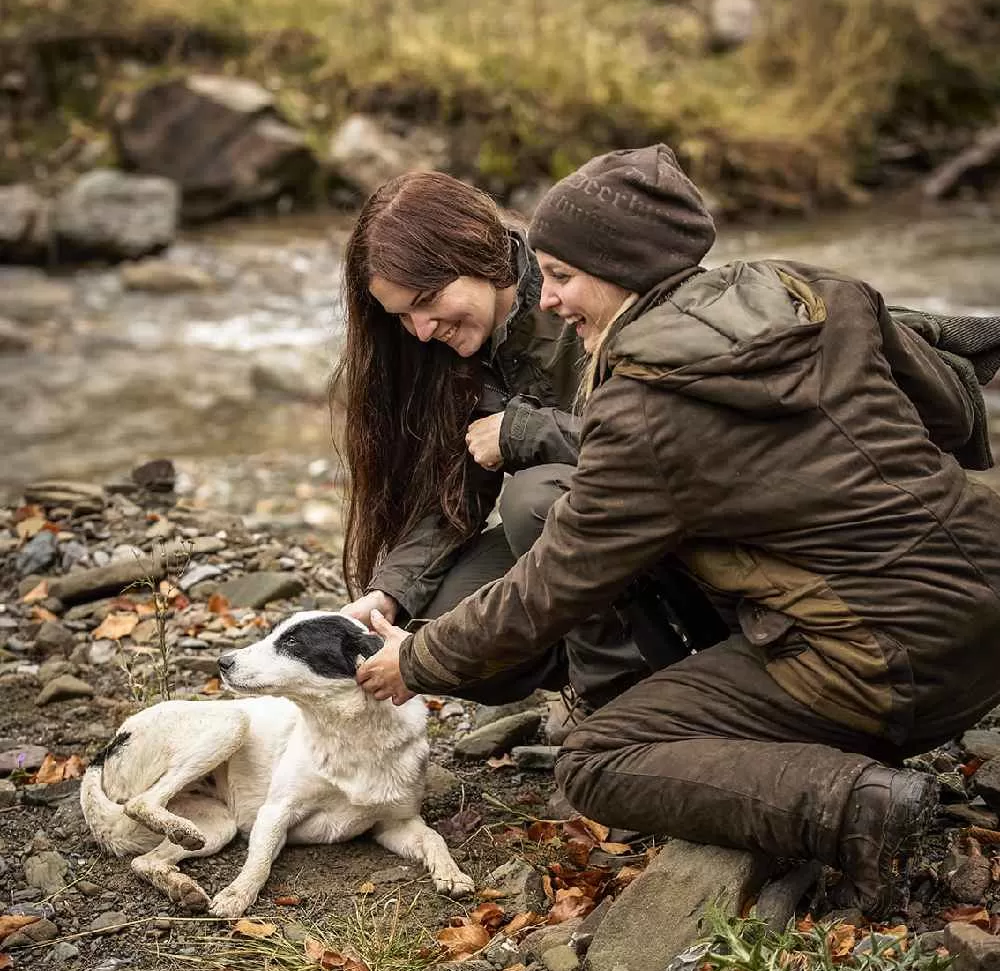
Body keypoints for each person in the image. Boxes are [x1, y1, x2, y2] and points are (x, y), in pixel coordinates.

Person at [356, 143, 1000, 917]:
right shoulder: (807, 286)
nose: (549, 299)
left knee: (598, 761)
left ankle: (866, 808)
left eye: (560, 277)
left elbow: (557, 581)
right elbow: (955, 414)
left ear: (619, 268)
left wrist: (418, 663)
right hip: (984, 600)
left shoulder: (639, 406)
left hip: (885, 667)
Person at [334, 170, 673, 712]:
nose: (421, 330)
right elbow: (453, 493)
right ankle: (603, 670)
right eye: (402, 316)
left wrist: (522, 433)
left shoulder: (582, 297)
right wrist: (391, 591)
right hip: (598, 550)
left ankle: (624, 707)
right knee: (432, 629)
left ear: (476, 254)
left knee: (533, 500)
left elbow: (670, 442)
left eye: (427, 300)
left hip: (667, 531)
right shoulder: (451, 350)